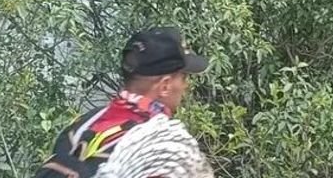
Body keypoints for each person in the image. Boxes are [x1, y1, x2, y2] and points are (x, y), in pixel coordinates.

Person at [35, 27, 208, 178]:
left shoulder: (84, 124)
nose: (186, 86)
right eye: (184, 77)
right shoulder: (163, 147)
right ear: (165, 86)